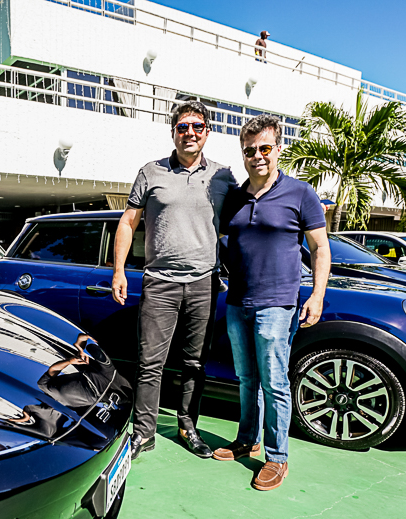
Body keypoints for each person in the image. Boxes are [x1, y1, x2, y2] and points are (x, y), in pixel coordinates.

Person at [112, 100, 237, 460]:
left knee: (195, 364)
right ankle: (143, 433)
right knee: (150, 363)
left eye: (197, 126)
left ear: (207, 132)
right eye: (183, 127)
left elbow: (243, 223)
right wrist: (119, 270)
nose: (190, 133)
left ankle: (188, 428)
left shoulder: (223, 176)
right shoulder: (151, 172)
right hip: (159, 282)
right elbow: (128, 222)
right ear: (173, 132)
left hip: (204, 284)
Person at [212, 114, 331, 491]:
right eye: (250, 151)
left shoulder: (300, 193)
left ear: (279, 149)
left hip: (278, 304)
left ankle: (277, 458)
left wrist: (317, 294)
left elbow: (320, 247)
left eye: (265, 148)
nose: (257, 156)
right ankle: (247, 440)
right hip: (237, 302)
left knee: (275, 381)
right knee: (247, 378)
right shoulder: (235, 198)